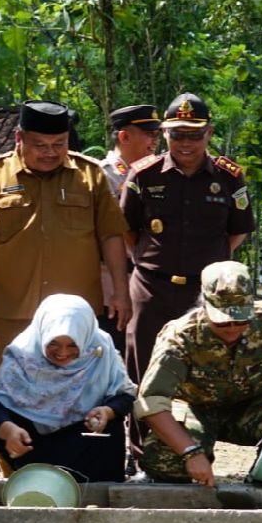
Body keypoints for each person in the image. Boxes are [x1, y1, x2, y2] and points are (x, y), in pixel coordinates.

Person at [120, 93, 255, 465]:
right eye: (177, 134)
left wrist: (208, 269)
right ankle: (140, 456)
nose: (185, 143)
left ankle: (195, 452)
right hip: (151, 289)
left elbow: (237, 232)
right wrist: (150, 263)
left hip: (205, 295)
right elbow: (127, 231)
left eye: (194, 134)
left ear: (209, 133)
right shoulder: (143, 174)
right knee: (143, 371)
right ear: (164, 134)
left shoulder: (229, 176)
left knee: (202, 373)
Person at [0, 99, 131, 372]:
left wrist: (121, 291)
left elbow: (111, 237)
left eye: (59, 144)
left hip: (75, 312)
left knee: (75, 383)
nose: (50, 152)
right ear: (19, 138)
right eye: (40, 145)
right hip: (13, 310)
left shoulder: (90, 176)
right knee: (11, 382)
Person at [135, 261, 262, 486]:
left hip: (249, 408)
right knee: (168, 462)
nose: (232, 328)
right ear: (204, 305)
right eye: (222, 322)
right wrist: (190, 452)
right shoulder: (180, 336)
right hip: (195, 410)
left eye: (241, 320)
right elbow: (152, 401)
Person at [0, 294, 136, 482]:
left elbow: (125, 396)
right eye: (53, 343)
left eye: (72, 345)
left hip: (86, 443)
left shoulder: (100, 349)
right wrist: (9, 430)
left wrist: (106, 411)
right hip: (34, 446)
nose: (63, 353)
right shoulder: (23, 354)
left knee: (112, 426)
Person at [97, 104, 162, 349]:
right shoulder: (104, 176)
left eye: (156, 135)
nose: (155, 142)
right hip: (112, 287)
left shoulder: (155, 175)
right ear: (124, 137)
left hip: (147, 284)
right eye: (149, 135)